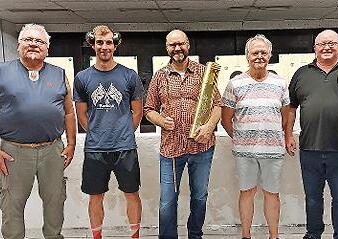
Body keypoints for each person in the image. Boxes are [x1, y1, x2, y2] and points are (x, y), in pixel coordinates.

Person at [285, 29, 338, 239]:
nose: (327, 48)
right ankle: (313, 234)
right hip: (309, 149)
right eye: (322, 44)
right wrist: (287, 135)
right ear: (315, 48)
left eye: (332, 43)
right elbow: (291, 108)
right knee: (312, 198)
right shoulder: (302, 74)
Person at [0, 23, 76, 239]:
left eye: (40, 41)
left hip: (52, 150)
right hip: (12, 152)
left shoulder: (59, 75)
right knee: (11, 204)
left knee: (55, 202)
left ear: (47, 49)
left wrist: (71, 144)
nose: (34, 44)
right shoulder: (2, 72)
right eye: (28, 40)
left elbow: (69, 112)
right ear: (19, 45)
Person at [144, 29, 221, 239]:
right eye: (172, 45)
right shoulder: (159, 76)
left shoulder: (205, 72)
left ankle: (195, 235)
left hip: (201, 147)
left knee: (200, 197)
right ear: (167, 48)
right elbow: (148, 109)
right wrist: (160, 120)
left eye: (181, 44)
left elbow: (218, 105)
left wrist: (208, 127)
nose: (177, 48)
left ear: (188, 44)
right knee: (168, 201)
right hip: (171, 149)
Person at [73, 25, 143, 239]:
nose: (105, 47)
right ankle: (97, 237)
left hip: (125, 148)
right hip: (95, 148)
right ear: (92, 45)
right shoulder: (82, 78)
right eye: (100, 42)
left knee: (132, 194)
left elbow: (137, 113)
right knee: (95, 197)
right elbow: (82, 116)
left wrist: (121, 132)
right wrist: (98, 134)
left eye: (109, 42)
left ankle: (135, 236)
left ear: (115, 45)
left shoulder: (129, 76)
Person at [221, 34, 290, 239]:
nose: (259, 56)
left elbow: (285, 117)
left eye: (263, 52)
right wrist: (242, 138)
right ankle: (245, 235)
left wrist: (286, 138)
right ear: (247, 56)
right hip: (245, 153)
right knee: (246, 193)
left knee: (272, 194)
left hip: (273, 151)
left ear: (270, 55)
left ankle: (274, 236)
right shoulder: (235, 84)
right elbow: (226, 120)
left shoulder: (280, 83)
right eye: (255, 53)